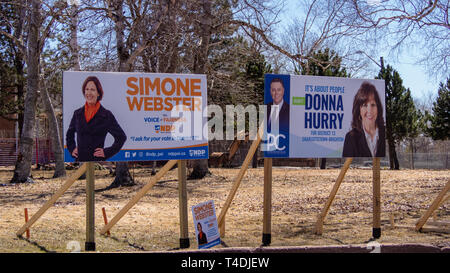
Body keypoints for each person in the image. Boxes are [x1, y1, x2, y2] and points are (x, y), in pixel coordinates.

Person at [66, 76, 126, 162]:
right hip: (80, 161)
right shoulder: (77, 114)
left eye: (92, 90)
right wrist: (72, 149)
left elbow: (121, 137)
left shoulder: (106, 115)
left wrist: (107, 152)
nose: (89, 93)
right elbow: (69, 135)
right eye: (87, 89)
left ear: (98, 93)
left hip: (97, 162)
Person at [342, 81, 385, 157]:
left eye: (373, 105)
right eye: (364, 105)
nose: (369, 110)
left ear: (378, 108)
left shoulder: (384, 133)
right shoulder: (351, 138)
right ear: (359, 110)